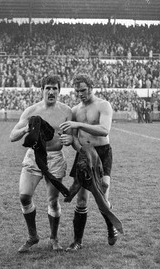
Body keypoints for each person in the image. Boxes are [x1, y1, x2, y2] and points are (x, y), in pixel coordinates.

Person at [9, 75, 73, 253]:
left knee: (52, 202)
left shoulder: (66, 111)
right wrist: (26, 129)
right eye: (48, 88)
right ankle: (32, 236)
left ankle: (54, 238)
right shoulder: (32, 111)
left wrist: (70, 138)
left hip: (55, 158)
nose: (51, 91)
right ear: (42, 90)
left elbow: (72, 136)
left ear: (59, 91)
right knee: (24, 196)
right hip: (34, 156)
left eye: (55, 88)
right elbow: (12, 136)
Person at [59, 74, 118, 251]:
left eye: (83, 90)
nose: (80, 94)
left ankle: (110, 227)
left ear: (91, 87)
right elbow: (75, 138)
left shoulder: (103, 105)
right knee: (81, 199)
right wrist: (78, 147)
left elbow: (104, 130)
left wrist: (78, 126)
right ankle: (77, 241)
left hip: (102, 152)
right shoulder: (75, 110)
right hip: (84, 154)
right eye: (77, 91)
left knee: (103, 194)